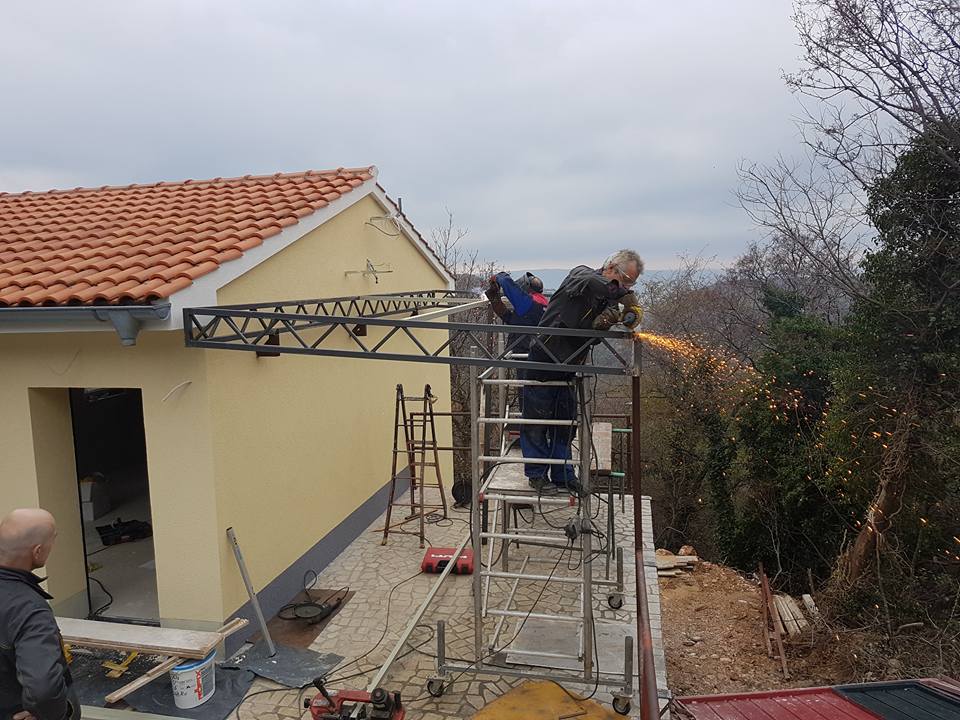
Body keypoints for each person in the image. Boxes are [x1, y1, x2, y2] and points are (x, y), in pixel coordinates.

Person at [521, 250, 644, 494]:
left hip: (571, 364)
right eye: (625, 280)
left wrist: (620, 317)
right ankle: (536, 475)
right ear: (611, 268)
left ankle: (563, 476)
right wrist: (624, 295)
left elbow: (601, 320)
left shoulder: (608, 298)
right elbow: (592, 283)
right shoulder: (581, 275)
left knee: (566, 424)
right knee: (537, 421)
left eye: (631, 284)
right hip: (545, 358)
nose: (626, 287)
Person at [0, 509, 78, 720]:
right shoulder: (29, 610)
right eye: (53, 540)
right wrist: (48, 714)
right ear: (37, 551)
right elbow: (43, 688)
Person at [484, 271, 549, 361]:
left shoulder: (527, 301)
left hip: (524, 352)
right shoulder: (544, 303)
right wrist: (496, 302)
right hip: (540, 352)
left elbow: (505, 281)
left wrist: (497, 277)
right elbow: (519, 321)